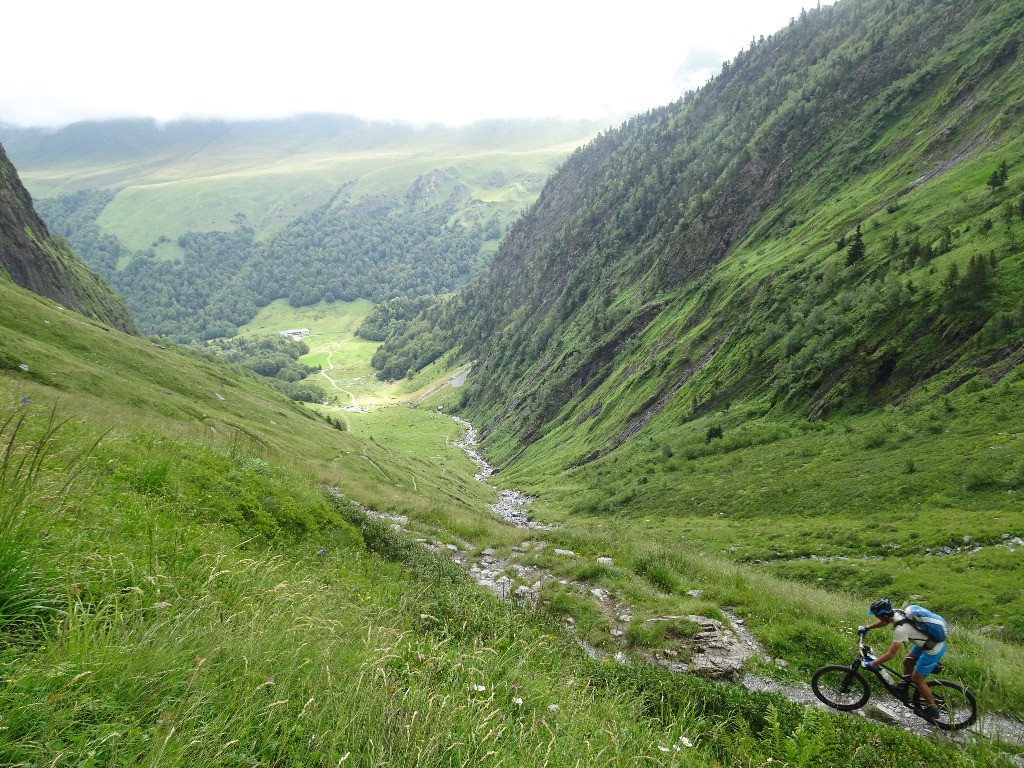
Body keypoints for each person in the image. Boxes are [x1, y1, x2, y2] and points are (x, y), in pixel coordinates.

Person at [859, 597, 943, 720]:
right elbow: (884, 622)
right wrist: (867, 627)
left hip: (933, 650)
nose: (877, 618)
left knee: (917, 679)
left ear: (884, 615)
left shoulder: (901, 629)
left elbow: (890, 655)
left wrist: (872, 663)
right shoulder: (896, 613)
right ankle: (905, 687)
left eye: (877, 616)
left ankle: (933, 709)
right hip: (927, 643)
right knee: (907, 661)